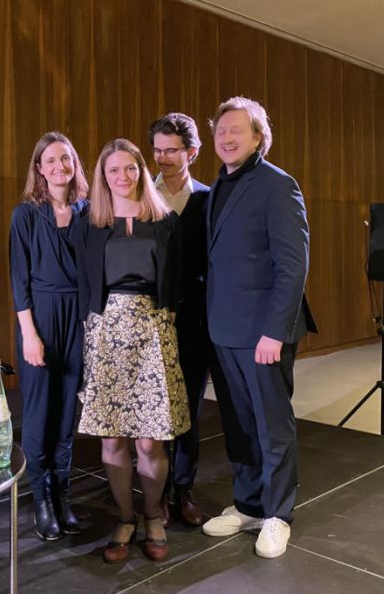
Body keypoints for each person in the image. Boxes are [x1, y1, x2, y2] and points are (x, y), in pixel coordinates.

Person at [200, 97, 316, 559]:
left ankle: (277, 514)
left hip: (263, 335)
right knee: (239, 426)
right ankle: (248, 505)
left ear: (257, 136)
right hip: (223, 330)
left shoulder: (277, 185)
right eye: (221, 130)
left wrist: (275, 331)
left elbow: (293, 265)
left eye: (237, 130)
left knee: (272, 427)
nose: (227, 138)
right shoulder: (219, 186)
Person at [75, 138, 190, 564]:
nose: (122, 177)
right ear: (102, 178)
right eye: (112, 171)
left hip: (153, 333)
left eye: (129, 168)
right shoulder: (91, 224)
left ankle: (153, 515)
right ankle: (125, 517)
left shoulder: (165, 222)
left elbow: (175, 283)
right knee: (112, 439)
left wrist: (165, 323)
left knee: (150, 441)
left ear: (142, 170)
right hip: (106, 334)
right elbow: (85, 285)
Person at [9, 132, 89, 541]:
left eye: (67, 158)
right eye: (51, 160)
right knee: (40, 414)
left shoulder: (88, 212)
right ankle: (40, 499)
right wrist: (30, 335)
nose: (60, 166)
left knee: (66, 416)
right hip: (39, 317)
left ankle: (62, 496)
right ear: (39, 168)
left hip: (77, 318)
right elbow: (19, 281)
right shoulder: (25, 215)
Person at [148, 112, 219, 527]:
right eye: (156, 150)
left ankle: (183, 489)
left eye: (171, 150)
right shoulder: (142, 196)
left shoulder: (209, 199)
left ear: (192, 152)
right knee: (152, 408)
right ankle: (153, 492)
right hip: (150, 318)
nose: (162, 158)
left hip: (194, 319)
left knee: (189, 407)